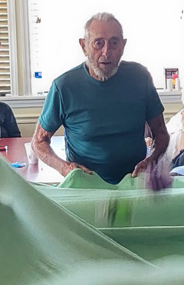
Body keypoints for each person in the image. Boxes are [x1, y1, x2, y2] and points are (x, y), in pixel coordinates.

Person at [34, 13, 168, 183]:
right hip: (85, 186)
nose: (107, 52)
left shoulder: (140, 77)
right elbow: (39, 142)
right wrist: (64, 168)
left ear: (123, 46)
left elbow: (162, 135)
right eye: (98, 43)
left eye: (114, 43)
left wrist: (151, 161)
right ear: (84, 46)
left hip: (134, 184)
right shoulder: (64, 87)